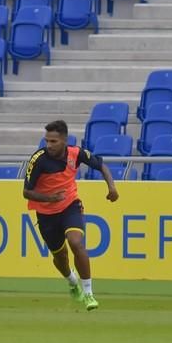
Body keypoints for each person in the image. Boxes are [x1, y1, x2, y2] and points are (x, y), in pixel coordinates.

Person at [23, 120, 119, 311]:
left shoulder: (76, 153)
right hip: (46, 214)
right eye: (47, 141)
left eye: (53, 141)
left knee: (76, 242)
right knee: (60, 258)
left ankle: (89, 293)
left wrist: (112, 187)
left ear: (64, 140)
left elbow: (101, 166)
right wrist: (50, 198)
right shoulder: (38, 159)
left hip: (70, 206)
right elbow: (26, 192)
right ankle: (72, 281)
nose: (49, 145)